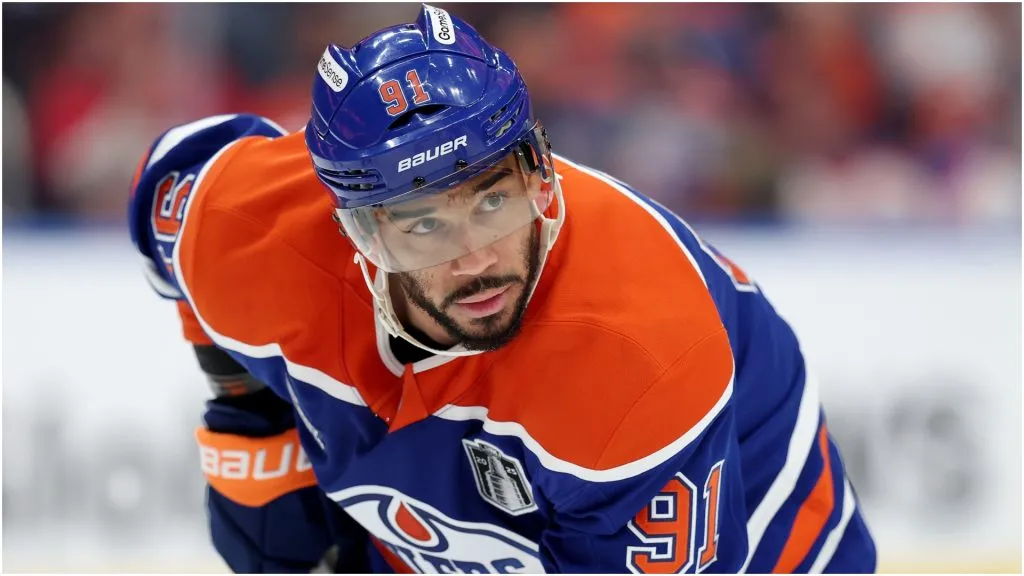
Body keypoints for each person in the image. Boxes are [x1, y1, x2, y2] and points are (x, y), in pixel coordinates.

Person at [128, 5, 876, 573]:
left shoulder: (633, 351)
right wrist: (245, 400)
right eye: (423, 226)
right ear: (359, 231)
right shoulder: (241, 226)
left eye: (494, 200)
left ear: (540, 173)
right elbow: (174, 186)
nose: (478, 260)